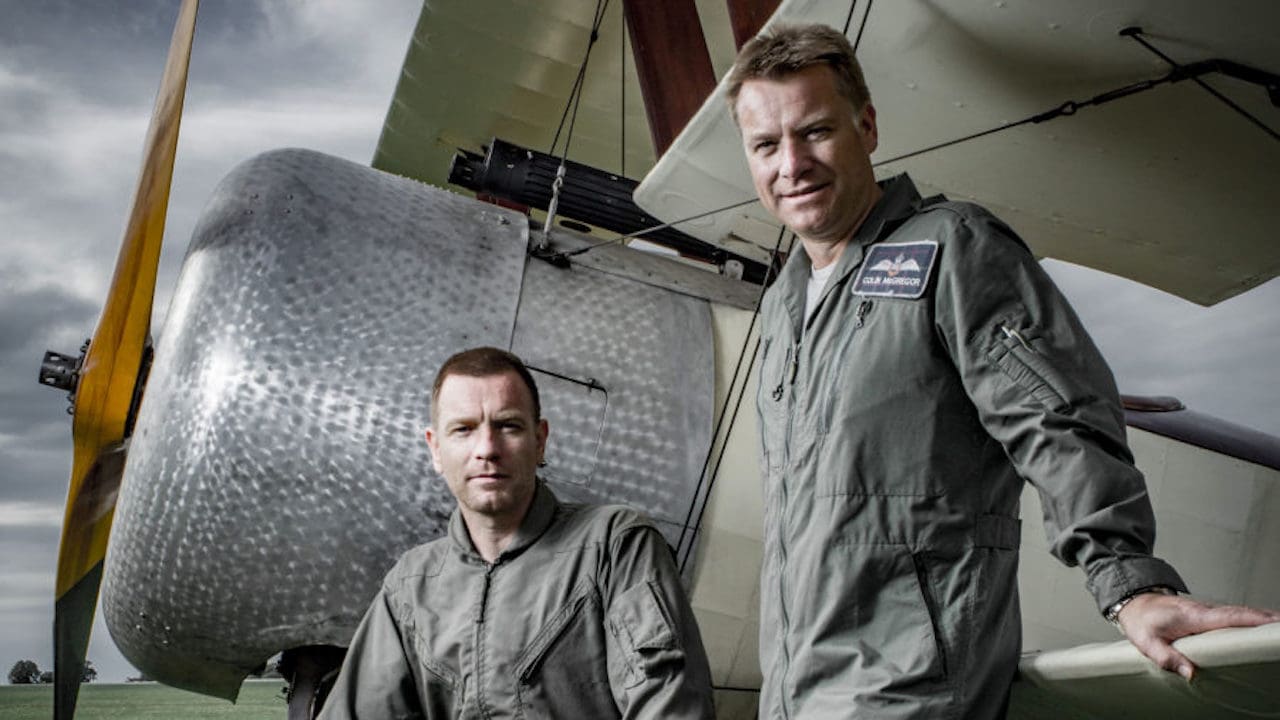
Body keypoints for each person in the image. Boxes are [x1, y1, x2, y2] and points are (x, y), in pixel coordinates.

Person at [728, 23, 1280, 719]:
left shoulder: (952, 248)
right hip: (797, 697)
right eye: (766, 145)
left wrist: (1130, 584)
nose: (792, 164)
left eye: (815, 132)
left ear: (866, 127)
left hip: (909, 691)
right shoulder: (785, 305)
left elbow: (1056, 418)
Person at [319, 347, 714, 719]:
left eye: (508, 426)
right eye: (463, 429)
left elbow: (670, 708)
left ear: (539, 441)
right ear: (435, 449)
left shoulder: (616, 547)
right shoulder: (409, 585)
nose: (487, 448)